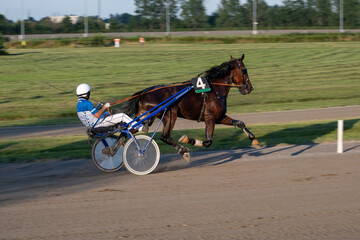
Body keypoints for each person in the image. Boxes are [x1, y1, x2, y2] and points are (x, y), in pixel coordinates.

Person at [76, 83, 145, 132]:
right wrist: (104, 107)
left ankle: (124, 125)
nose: (89, 94)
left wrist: (98, 107)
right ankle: (139, 127)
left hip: (94, 123)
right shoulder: (87, 103)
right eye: (89, 92)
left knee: (112, 112)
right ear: (86, 93)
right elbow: (97, 115)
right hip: (99, 123)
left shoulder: (79, 104)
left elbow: (90, 114)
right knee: (122, 116)